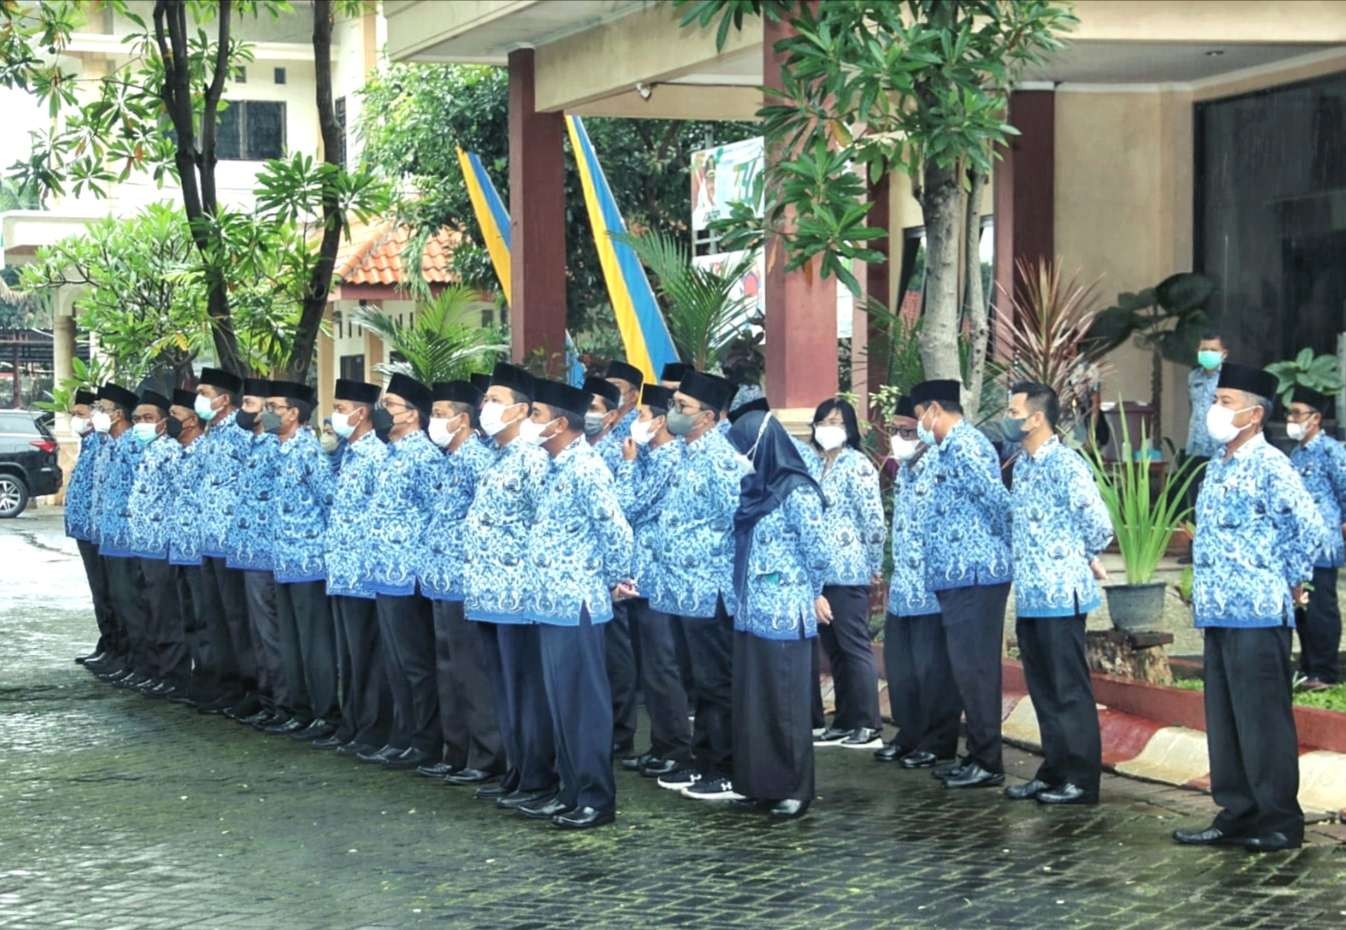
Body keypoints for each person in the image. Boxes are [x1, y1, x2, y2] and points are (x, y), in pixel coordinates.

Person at [1173, 363, 1325, 853]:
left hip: (1259, 611)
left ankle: (1280, 820)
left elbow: (1310, 531)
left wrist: (1291, 579)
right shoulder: (1217, 464)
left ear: (1254, 414)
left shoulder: (1271, 465)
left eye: (1225, 402)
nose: (1215, 410)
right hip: (1218, 611)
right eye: (1215, 400)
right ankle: (1236, 812)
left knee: (1263, 723)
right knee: (1226, 719)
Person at [517, 379, 634, 829]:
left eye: (537, 416)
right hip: (548, 602)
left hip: (577, 603)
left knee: (584, 706)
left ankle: (595, 797)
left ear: (561, 423)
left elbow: (618, 535)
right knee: (560, 704)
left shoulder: (586, 468)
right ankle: (569, 790)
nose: (531, 424)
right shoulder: (551, 466)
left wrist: (606, 583)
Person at [1004, 382, 1111, 806]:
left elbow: (1097, 521)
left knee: (1069, 689)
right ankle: (1054, 769)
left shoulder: (1066, 464)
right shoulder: (1024, 465)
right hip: (1030, 593)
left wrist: (1081, 554)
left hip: (1061, 592)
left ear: (1036, 417)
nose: (1008, 417)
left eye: (1013, 411)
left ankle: (1082, 779)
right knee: (1043, 688)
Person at [726, 409, 829, 818]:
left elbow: (818, 552)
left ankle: (793, 788)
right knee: (755, 704)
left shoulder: (797, 491)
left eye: (742, 449)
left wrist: (810, 591)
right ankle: (759, 783)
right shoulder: (754, 489)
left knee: (785, 705)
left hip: (785, 613)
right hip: (751, 613)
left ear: (761, 447)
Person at [651, 370, 748, 801]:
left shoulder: (723, 460)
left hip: (710, 590)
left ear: (707, 416)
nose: (674, 412)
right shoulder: (684, 453)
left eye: (682, 407)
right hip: (680, 590)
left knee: (716, 683)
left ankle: (726, 767)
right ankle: (702, 758)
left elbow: (739, 525)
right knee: (697, 682)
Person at [911, 378, 1012, 789]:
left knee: (977, 669)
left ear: (935, 409)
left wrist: (1003, 549)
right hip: (956, 575)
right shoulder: (945, 449)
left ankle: (988, 761)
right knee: (965, 670)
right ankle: (976, 754)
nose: (920, 425)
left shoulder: (966, 446)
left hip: (975, 574)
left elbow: (997, 501)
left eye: (919, 417)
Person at [462, 363, 554, 810]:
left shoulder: (532, 458)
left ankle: (537, 775)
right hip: (488, 593)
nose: (486, 408)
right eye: (486, 400)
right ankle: (517, 771)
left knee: (527, 689)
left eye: (495, 401)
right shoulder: (495, 456)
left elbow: (544, 525)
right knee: (503, 688)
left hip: (519, 595)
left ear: (521, 411)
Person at [418, 380, 504, 785]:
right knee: (448, 669)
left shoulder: (477, 460)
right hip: (439, 577)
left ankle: (486, 755)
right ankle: (456, 751)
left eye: (439, 414)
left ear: (462, 419)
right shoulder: (445, 459)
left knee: (472, 673)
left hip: (465, 579)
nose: (432, 422)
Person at [363, 373, 443, 771]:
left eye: (390, 405)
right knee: (394, 662)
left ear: (414, 415)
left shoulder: (424, 456)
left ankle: (425, 741)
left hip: (408, 572)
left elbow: (435, 515)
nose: (382, 411)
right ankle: (404, 734)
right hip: (383, 570)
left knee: (414, 662)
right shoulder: (388, 454)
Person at [876, 396, 961, 769]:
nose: (900, 437)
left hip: (931, 588)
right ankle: (908, 734)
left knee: (933, 671)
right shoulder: (904, 471)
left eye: (907, 431)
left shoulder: (943, 466)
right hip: (903, 588)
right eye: (895, 431)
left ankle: (938, 741)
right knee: (901, 669)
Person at [616, 384, 691, 778]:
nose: (635, 422)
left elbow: (627, 505)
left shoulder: (668, 459)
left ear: (661, 421)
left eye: (643, 415)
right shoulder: (653, 455)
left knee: (663, 666)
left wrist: (627, 464)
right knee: (652, 666)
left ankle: (676, 747)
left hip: (660, 575)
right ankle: (662, 743)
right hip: (644, 575)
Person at [807, 398, 886, 750]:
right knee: (834, 649)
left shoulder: (858, 465)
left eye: (836, 421)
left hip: (848, 568)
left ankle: (868, 722)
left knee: (854, 646)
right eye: (822, 420)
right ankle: (844, 718)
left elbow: (873, 520)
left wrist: (873, 565)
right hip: (817, 573)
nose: (828, 426)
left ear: (850, 427)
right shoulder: (812, 464)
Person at [324, 379, 395, 758]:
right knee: (349, 655)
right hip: (342, 570)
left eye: (341, 407)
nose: (335, 415)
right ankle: (353, 723)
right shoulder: (349, 453)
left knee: (368, 656)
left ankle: (373, 728)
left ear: (362, 412)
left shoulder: (376, 456)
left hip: (364, 573)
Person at [268, 381, 340, 743]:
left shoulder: (307, 451)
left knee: (315, 643)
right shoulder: (275, 449)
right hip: (283, 558)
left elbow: (329, 499)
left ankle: (325, 713)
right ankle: (299, 709)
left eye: (274, 406)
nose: (267, 413)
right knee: (291, 640)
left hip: (309, 559)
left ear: (293, 413)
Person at [192, 368, 257, 716]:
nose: (198, 399)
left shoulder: (240, 434)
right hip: (209, 539)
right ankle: (226, 684)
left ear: (223, 399)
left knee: (237, 617)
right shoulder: (211, 432)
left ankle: (249, 686)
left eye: (204, 392)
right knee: (215, 616)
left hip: (232, 540)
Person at [583, 374, 639, 763]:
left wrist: (617, 576)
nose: (587, 416)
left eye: (594, 409)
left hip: (610, 571)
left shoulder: (618, 452)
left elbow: (621, 511)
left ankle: (622, 733)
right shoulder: (575, 450)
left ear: (613, 415)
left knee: (616, 655)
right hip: (582, 573)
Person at [224, 378, 285, 730]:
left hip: (268, 551)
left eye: (249, 403)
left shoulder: (280, 447)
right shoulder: (255, 443)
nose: (243, 411)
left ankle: (280, 699)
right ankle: (264, 695)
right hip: (247, 549)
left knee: (270, 630)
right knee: (256, 630)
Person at [122, 389, 190, 698]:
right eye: (137, 419)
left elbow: (180, 496)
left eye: (148, 418)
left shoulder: (171, 451)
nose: (141, 424)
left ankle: (173, 674)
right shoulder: (148, 449)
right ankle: (158, 670)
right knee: (149, 607)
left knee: (166, 612)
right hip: (142, 542)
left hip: (162, 543)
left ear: (163, 422)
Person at [89, 383, 150, 688]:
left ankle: (143, 664)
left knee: (133, 602)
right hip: (109, 536)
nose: (96, 414)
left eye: (102, 409)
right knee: (119, 600)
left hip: (128, 537)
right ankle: (127, 659)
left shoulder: (134, 444)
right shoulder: (109, 444)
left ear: (119, 414)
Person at [1286, 386, 1345, 689]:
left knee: (1321, 607)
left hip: (1324, 543)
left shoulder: (1332, 451)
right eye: (1291, 412)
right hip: (1299, 546)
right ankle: (1309, 666)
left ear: (1316, 418)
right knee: (1302, 608)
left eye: (1297, 413)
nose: (1291, 419)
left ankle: (1326, 670)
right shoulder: (1294, 454)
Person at [163, 390, 213, 707]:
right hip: (178, 545)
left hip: (198, 547)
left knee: (204, 616)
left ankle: (210, 679)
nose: (170, 422)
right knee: (187, 617)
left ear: (192, 421)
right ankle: (193, 677)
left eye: (175, 416)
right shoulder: (176, 451)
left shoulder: (204, 451)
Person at [65, 388, 115, 669]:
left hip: (99, 528)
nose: (77, 420)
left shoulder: (102, 441)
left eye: (81, 414)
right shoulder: (88, 443)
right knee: (99, 591)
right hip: (86, 527)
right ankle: (107, 643)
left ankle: (116, 646)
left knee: (108, 590)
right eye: (73, 415)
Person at [1181, 333, 1227, 562]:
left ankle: (1216, 547)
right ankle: (1193, 549)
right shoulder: (1193, 377)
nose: (1207, 354)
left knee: (1216, 498)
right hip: (1195, 447)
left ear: (1223, 353)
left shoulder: (1229, 379)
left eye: (1212, 349)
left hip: (1219, 448)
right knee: (1194, 500)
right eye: (1204, 349)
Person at [604, 359, 644, 443]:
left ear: (633, 396)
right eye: (606, 386)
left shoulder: (640, 426)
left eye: (616, 387)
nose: (609, 391)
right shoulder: (600, 422)